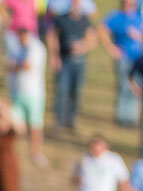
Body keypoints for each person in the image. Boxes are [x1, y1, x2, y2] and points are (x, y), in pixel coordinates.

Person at [50, 2, 97, 131]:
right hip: (64, 59)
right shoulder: (61, 19)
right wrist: (54, 56)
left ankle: (71, 120)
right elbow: (53, 36)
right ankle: (59, 120)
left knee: (75, 91)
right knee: (62, 90)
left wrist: (83, 47)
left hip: (79, 61)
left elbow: (93, 39)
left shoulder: (85, 20)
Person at [8, 25, 47, 165]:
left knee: (35, 125)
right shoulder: (18, 47)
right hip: (18, 92)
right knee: (16, 124)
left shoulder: (36, 48)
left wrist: (15, 66)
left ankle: (36, 153)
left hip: (34, 93)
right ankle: (15, 152)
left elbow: (27, 65)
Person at [103, 0, 143, 125]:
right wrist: (111, 48)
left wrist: (138, 36)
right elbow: (102, 30)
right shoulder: (116, 17)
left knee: (137, 87)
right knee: (124, 86)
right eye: (128, 4)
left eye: (132, 4)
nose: (130, 6)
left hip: (138, 59)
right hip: (124, 58)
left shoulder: (139, 18)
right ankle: (122, 117)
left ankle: (133, 118)